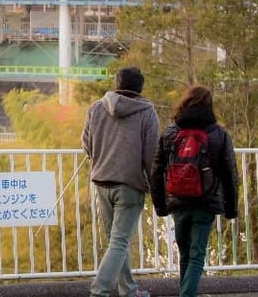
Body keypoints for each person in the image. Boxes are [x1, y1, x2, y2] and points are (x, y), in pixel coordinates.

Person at [150, 86, 238, 297]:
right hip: (205, 202)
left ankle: (187, 292)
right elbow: (229, 173)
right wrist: (231, 208)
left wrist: (160, 204)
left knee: (185, 253)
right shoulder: (218, 134)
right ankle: (187, 294)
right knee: (197, 254)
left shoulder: (171, 132)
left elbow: (156, 171)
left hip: (178, 201)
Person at [82, 66, 159, 297]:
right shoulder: (146, 111)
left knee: (117, 241)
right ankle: (99, 291)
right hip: (130, 184)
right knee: (120, 241)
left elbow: (86, 144)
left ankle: (129, 290)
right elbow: (151, 154)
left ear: (117, 84)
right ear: (140, 87)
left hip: (101, 181)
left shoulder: (96, 108)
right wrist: (155, 187)